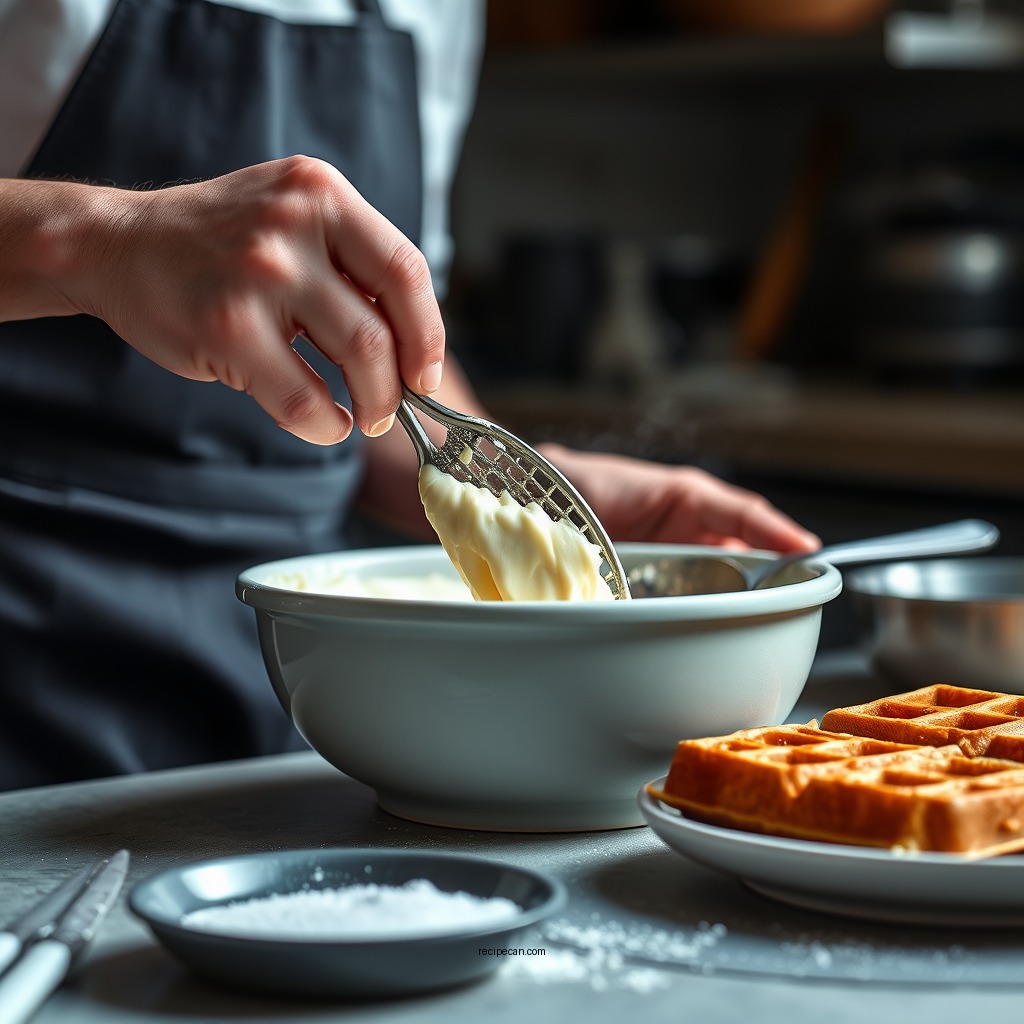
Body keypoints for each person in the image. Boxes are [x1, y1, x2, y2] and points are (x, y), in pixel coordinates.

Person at [0, 0, 818, 791]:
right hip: (29, 616)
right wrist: (97, 238)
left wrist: (514, 487)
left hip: (297, 679)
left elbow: (368, 356)